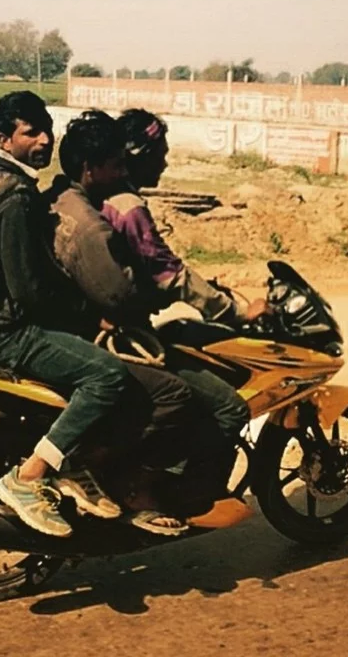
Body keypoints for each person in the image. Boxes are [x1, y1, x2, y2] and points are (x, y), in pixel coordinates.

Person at [0, 92, 137, 538]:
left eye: (47, 129)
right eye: (30, 132)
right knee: (108, 377)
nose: (44, 140)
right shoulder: (17, 198)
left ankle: (69, 459)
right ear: (4, 137)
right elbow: (30, 291)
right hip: (12, 330)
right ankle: (31, 476)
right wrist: (88, 316)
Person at [46, 109, 227, 530]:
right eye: (120, 162)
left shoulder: (67, 197)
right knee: (182, 397)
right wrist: (228, 307)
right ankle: (133, 486)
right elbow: (155, 281)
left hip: (86, 324)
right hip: (102, 332)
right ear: (96, 167)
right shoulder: (123, 210)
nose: (163, 162)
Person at [99, 108, 269, 452]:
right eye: (160, 154)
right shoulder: (129, 207)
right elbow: (171, 276)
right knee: (230, 408)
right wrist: (234, 311)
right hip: (124, 334)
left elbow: (153, 270)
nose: (164, 164)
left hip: (111, 324)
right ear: (139, 155)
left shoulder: (106, 197)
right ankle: (183, 491)